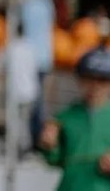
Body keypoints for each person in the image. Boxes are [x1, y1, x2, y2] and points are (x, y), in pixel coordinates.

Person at [39, 47, 110, 190]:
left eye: (101, 81)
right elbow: (55, 160)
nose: (94, 87)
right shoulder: (65, 118)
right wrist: (49, 145)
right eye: (88, 79)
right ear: (79, 80)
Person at [18, 0, 56, 151]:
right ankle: (34, 138)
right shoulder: (47, 1)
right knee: (37, 100)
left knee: (31, 101)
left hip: (29, 56)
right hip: (44, 56)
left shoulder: (23, 2)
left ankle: (33, 139)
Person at [5, 21, 39, 157]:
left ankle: (16, 146)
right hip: (30, 90)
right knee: (24, 121)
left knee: (14, 121)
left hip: (15, 90)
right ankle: (24, 146)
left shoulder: (11, 48)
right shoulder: (31, 48)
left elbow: (2, 65)